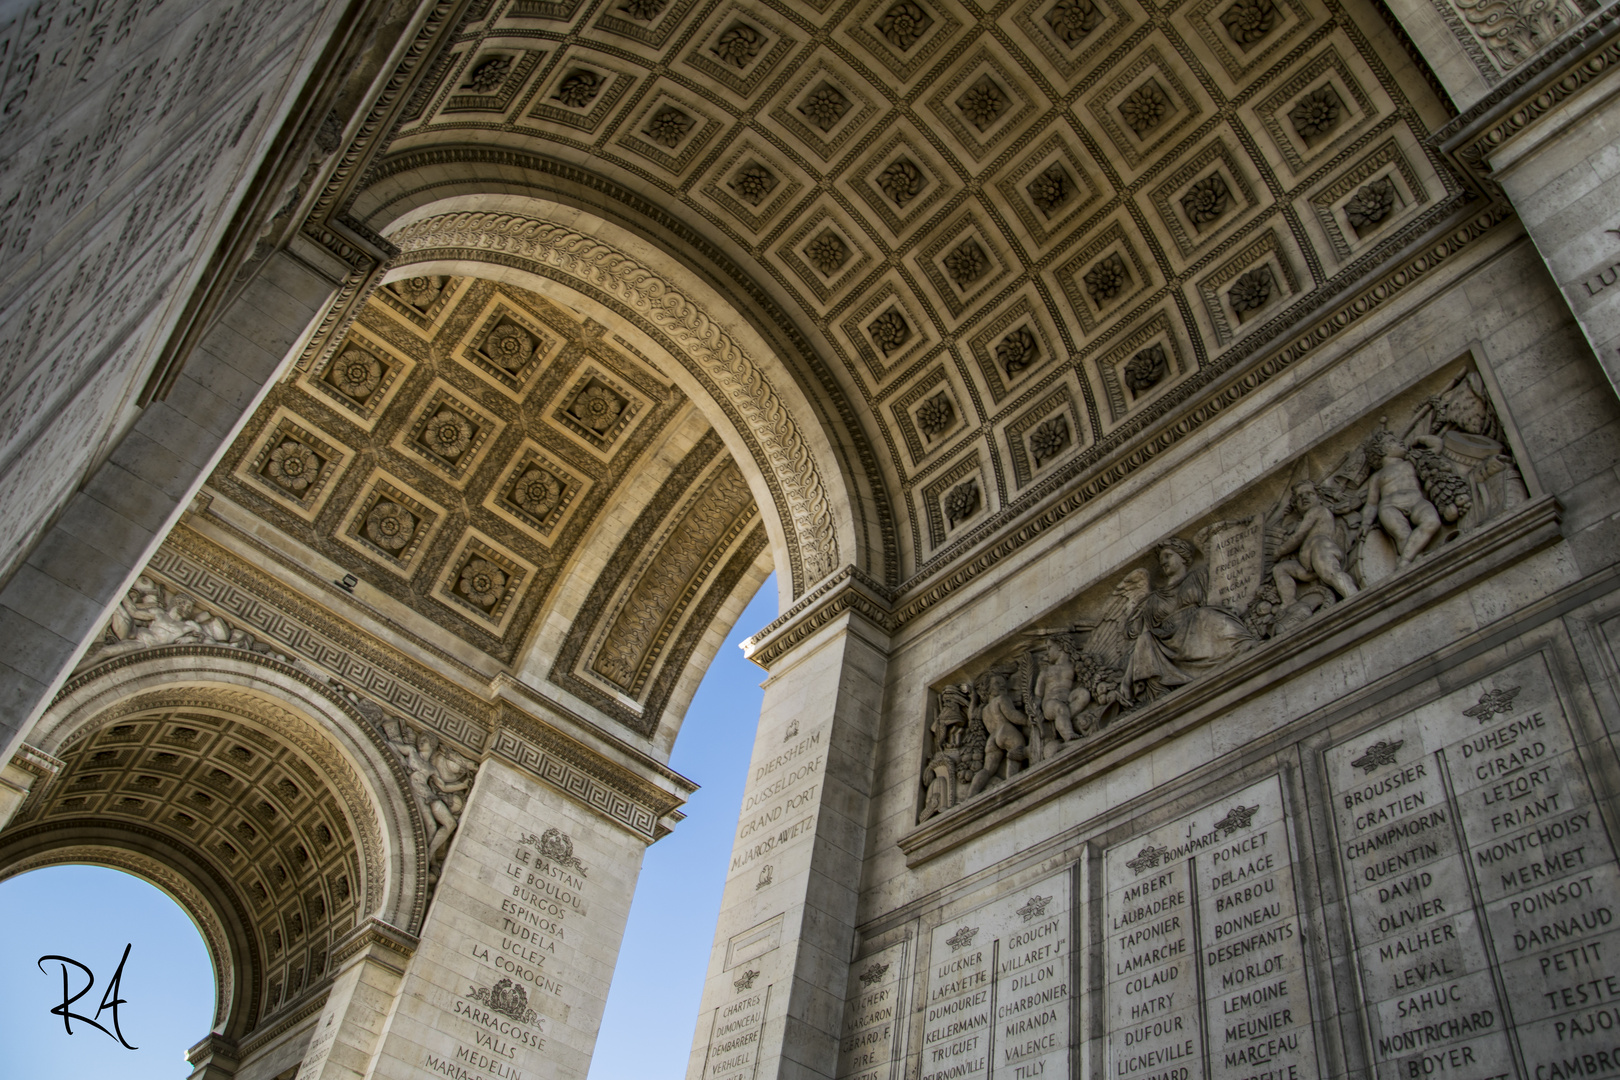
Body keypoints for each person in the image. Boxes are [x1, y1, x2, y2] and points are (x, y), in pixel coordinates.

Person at [1123, 539, 1256, 699]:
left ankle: (1242, 645)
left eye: (1168, 555)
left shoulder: (1199, 575)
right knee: (1146, 639)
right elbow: (1142, 640)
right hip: (1166, 642)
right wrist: (1126, 680)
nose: (1163, 562)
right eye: (1161, 559)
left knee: (1204, 614)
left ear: (1183, 557)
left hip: (1197, 629)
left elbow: (1217, 599)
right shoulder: (1154, 599)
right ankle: (1161, 688)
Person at [1272, 482, 1359, 605]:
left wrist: (1279, 551)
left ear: (1319, 497)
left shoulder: (1317, 510)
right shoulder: (1302, 518)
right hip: (1307, 565)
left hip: (1321, 550)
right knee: (1280, 569)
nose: (1304, 498)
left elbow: (1298, 536)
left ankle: (1353, 596)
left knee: (1331, 574)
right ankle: (1288, 604)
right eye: (1299, 497)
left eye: (1309, 493)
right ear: (1295, 505)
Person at [1364, 430, 1441, 567]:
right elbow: (1371, 504)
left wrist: (1422, 438)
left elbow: (1437, 447)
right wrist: (1365, 523)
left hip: (1417, 501)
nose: (1400, 441)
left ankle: (1405, 561)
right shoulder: (1377, 476)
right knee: (1403, 534)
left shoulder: (1411, 462)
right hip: (1390, 506)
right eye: (1392, 441)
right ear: (1381, 450)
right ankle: (1414, 560)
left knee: (1432, 521)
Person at [968, 674, 1029, 795]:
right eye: (997, 683)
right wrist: (1028, 721)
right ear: (988, 689)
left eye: (1003, 683)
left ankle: (971, 795)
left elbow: (972, 717)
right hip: (1005, 730)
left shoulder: (984, 710)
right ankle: (1012, 783)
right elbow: (1012, 715)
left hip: (992, 739)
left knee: (987, 769)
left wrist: (973, 699)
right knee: (1017, 750)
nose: (1002, 685)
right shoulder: (1002, 699)